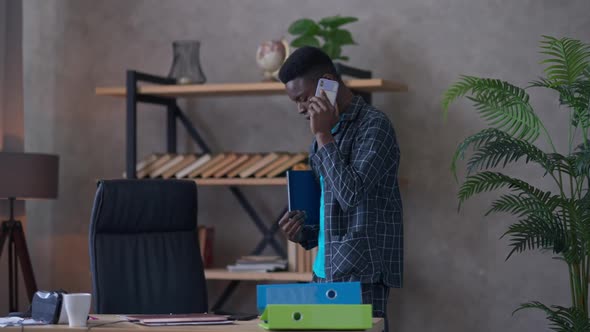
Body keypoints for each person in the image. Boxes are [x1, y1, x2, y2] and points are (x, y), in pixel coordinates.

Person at [277, 46, 403, 331]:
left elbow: (351, 195)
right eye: (294, 101)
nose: (300, 108)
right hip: (323, 271)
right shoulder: (321, 135)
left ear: (327, 82)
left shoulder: (375, 126)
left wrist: (322, 135)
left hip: (360, 272)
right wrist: (303, 232)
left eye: (303, 98)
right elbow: (329, 209)